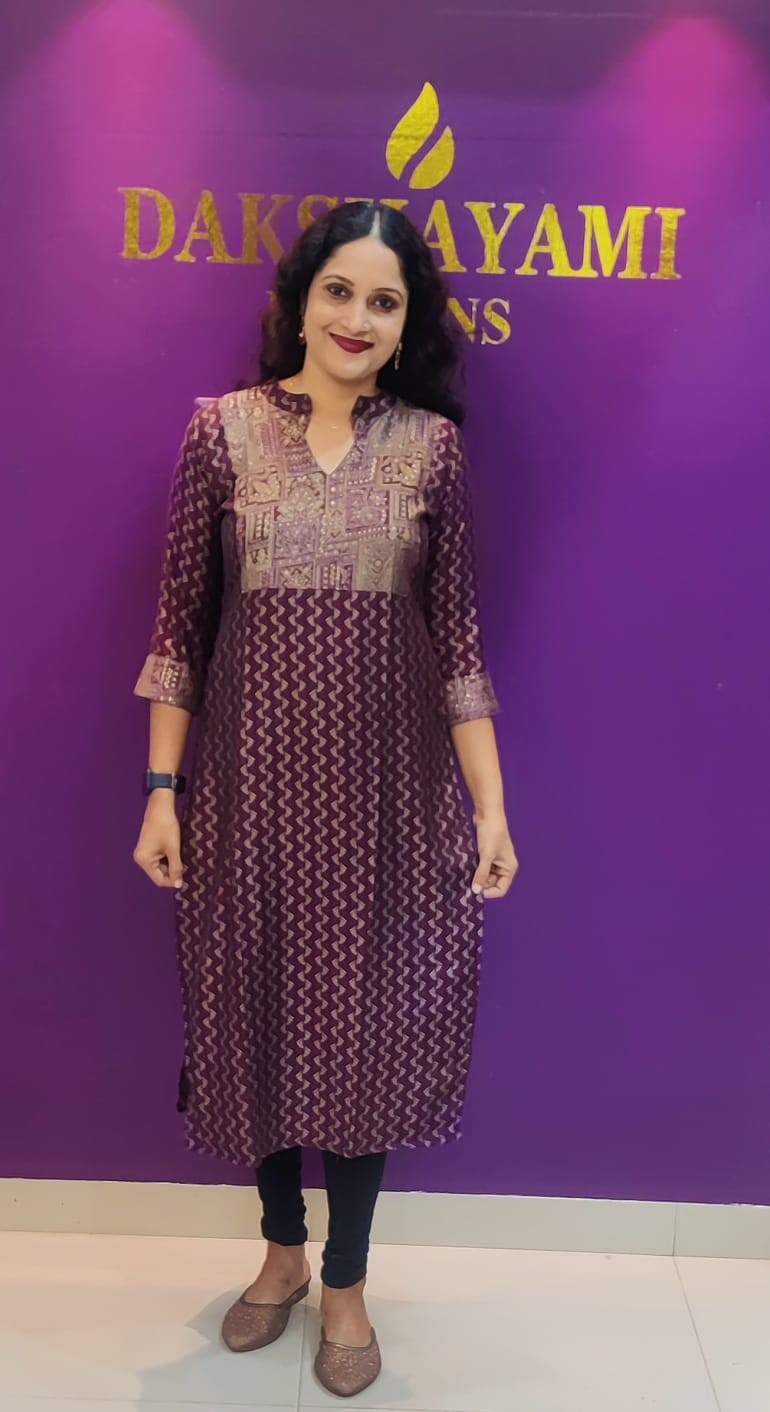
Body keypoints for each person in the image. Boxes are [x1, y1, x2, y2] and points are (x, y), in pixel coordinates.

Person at [132, 200, 518, 1397]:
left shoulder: (431, 450)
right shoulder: (221, 434)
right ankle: (281, 1251)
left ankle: (344, 1278)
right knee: (252, 1018)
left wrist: (490, 808)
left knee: (367, 1035)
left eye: (384, 300)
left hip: (388, 806)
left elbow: (458, 647)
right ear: (300, 300)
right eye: (339, 289)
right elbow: (179, 633)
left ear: (407, 326)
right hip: (249, 800)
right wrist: (160, 790)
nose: (358, 316)